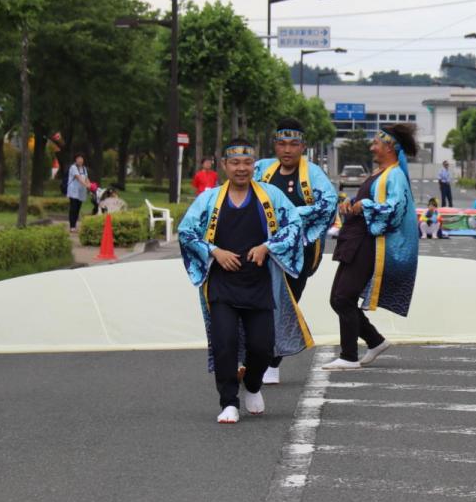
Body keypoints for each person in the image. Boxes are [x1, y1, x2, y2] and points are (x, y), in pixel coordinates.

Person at [177, 138, 312, 424]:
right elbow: (186, 232)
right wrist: (214, 251)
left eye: (247, 163)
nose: (242, 168)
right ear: (224, 165)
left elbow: (294, 225)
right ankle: (228, 402)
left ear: (255, 165)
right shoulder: (209, 199)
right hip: (222, 284)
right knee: (224, 342)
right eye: (235, 163)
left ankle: (252, 384)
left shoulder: (271, 195)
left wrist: (268, 247)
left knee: (262, 345)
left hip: (258, 282)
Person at [323, 123, 419, 371]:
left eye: (376, 142)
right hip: (355, 241)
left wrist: (364, 205)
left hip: (368, 245)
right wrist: (350, 205)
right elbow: (370, 203)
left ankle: (349, 355)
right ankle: (375, 341)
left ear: (389, 147)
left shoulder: (394, 175)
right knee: (338, 299)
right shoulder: (379, 172)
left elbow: (395, 210)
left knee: (344, 298)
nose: (371, 146)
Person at [251, 120, 338, 384]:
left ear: (303, 147)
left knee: (286, 303)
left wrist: (287, 215)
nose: (287, 150)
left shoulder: (313, 174)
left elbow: (327, 205)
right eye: (282, 144)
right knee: (259, 304)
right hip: (264, 250)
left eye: (293, 144)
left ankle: (272, 361)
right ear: (274, 145)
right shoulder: (262, 169)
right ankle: (257, 356)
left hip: (300, 252)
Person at [65, 154, 90, 234]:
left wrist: (90, 185)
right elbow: (78, 178)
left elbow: (86, 179)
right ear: (76, 160)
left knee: (78, 208)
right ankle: (72, 226)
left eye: (81, 159)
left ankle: (74, 225)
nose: (80, 160)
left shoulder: (84, 168)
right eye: (78, 159)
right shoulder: (73, 167)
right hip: (73, 191)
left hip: (81, 192)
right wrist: (86, 185)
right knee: (73, 208)